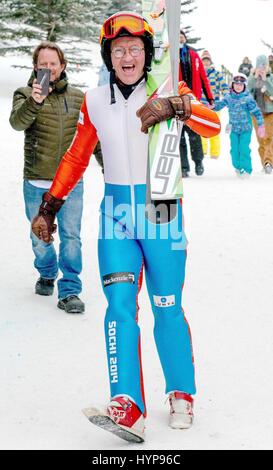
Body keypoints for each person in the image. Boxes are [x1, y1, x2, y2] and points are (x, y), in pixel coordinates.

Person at [30, 12, 220, 442]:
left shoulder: (168, 87)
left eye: (135, 49)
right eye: (118, 50)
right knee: (118, 306)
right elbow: (78, 156)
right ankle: (127, 403)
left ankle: (181, 392)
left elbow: (212, 124)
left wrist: (177, 105)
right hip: (116, 215)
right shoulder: (96, 100)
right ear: (108, 56)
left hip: (162, 212)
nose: (127, 56)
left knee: (167, 307)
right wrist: (50, 205)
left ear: (147, 53)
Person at [9, 41, 85, 314]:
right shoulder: (24, 93)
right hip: (37, 181)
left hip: (71, 183)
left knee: (71, 237)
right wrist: (35, 101)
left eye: (53, 64)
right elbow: (17, 123)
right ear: (35, 67)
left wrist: (105, 165)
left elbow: (89, 137)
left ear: (62, 66)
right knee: (40, 238)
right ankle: (47, 271)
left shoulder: (78, 97)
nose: (49, 69)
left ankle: (70, 289)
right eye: (43, 64)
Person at [179, 30, 214, 177]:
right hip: (178, 100)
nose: (180, 38)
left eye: (182, 36)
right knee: (179, 136)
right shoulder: (170, 55)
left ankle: (198, 162)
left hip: (193, 100)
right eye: (178, 36)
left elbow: (203, 78)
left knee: (194, 135)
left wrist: (210, 97)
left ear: (185, 39)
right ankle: (184, 167)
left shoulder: (193, 54)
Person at [214, 73, 264, 176]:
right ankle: (238, 167)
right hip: (234, 129)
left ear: (244, 86)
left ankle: (246, 169)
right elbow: (219, 106)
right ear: (232, 85)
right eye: (236, 84)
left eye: (241, 85)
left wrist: (261, 124)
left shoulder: (248, 98)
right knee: (234, 150)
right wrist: (210, 106)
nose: (238, 86)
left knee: (244, 148)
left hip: (246, 129)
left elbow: (256, 112)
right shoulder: (228, 97)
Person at [201, 50, 229, 158]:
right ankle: (203, 150)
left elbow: (224, 87)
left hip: (215, 105)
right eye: (204, 60)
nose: (206, 63)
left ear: (210, 62)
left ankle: (215, 152)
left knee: (214, 128)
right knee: (202, 128)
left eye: (207, 60)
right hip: (202, 105)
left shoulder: (217, 74)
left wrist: (226, 96)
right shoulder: (198, 73)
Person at [248, 55, 273, 174]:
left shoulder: (271, 77)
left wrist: (266, 80)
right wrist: (254, 78)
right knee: (261, 139)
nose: (262, 68)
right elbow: (247, 92)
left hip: (270, 112)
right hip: (256, 113)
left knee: (268, 138)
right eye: (259, 65)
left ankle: (269, 162)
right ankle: (265, 163)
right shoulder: (252, 78)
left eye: (264, 65)